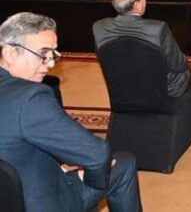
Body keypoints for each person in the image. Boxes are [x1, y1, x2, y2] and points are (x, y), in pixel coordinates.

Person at [0, 12, 142, 212]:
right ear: (10, 53)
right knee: (123, 163)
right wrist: (91, 180)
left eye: (53, 54)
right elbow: (96, 155)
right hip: (38, 203)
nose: (50, 63)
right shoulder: (30, 98)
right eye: (43, 53)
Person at [93, 0, 191, 101]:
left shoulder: (98, 27)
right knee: (184, 69)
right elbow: (178, 64)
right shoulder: (157, 29)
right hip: (159, 90)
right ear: (137, 5)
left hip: (123, 85)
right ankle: (187, 98)